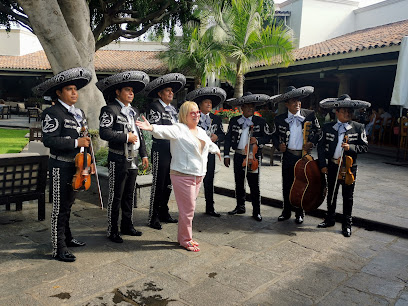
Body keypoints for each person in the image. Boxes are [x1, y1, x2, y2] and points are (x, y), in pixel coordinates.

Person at [136, 101, 221, 252]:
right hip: (182, 174)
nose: (196, 115)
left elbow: (208, 143)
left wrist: (217, 150)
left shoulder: (200, 130)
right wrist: (151, 128)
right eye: (192, 113)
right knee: (188, 209)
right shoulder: (179, 129)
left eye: (197, 112)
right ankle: (185, 239)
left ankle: (184, 237)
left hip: (198, 174)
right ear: (184, 115)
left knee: (188, 209)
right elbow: (164, 130)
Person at [33, 67, 93, 262]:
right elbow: (49, 140)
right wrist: (76, 143)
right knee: (59, 208)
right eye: (69, 89)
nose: (74, 93)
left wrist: (89, 161)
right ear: (59, 93)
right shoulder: (52, 113)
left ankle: (67, 238)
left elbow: (86, 138)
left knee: (68, 205)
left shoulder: (80, 113)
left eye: (76, 89)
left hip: (78, 167)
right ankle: (59, 248)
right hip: (60, 166)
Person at [97, 71, 149, 243]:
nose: (131, 93)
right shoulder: (109, 109)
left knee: (129, 195)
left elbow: (139, 133)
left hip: (133, 159)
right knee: (116, 196)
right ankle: (113, 229)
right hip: (118, 158)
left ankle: (127, 225)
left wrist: (144, 154)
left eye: (132, 90)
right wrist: (126, 137)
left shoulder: (134, 111)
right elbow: (104, 132)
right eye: (127, 90)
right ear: (118, 92)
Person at [317, 94, 370, 237]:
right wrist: (323, 164)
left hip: (348, 168)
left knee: (348, 197)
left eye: (350, 111)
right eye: (344, 110)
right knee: (332, 194)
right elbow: (321, 147)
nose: (347, 113)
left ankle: (347, 224)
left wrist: (350, 148)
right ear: (337, 112)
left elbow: (365, 148)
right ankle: (330, 219)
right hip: (332, 166)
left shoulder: (359, 127)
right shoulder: (328, 127)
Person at [270, 86, 321, 224]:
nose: (297, 104)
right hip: (288, 156)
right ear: (287, 104)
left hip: (303, 157)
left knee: (302, 184)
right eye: (293, 101)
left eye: (298, 101)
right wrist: (278, 145)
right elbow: (274, 136)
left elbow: (318, 133)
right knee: (287, 184)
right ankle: (286, 211)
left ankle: (300, 213)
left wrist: (311, 143)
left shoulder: (309, 115)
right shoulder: (280, 119)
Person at [144, 73, 186, 230]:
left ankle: (164, 211)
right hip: (160, 149)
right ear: (160, 93)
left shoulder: (174, 109)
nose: (171, 93)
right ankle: (153, 216)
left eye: (171, 91)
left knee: (169, 183)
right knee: (159, 184)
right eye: (167, 91)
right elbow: (156, 129)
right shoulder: (155, 107)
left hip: (173, 150)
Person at [224, 93, 272, 222]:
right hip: (239, 155)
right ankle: (240, 206)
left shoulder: (260, 121)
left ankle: (257, 211)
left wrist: (258, 140)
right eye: (248, 107)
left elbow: (268, 137)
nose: (251, 109)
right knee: (239, 183)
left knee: (254, 185)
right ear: (242, 108)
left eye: (252, 107)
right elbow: (228, 138)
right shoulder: (235, 120)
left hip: (253, 157)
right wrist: (227, 154)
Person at [186, 87, 226, 217]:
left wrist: (217, 137)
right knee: (194, 181)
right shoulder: (193, 117)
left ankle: (210, 207)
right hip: (195, 154)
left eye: (210, 102)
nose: (209, 104)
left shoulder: (217, 119)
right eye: (206, 102)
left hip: (210, 154)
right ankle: (190, 208)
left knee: (209, 180)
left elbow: (222, 134)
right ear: (200, 105)